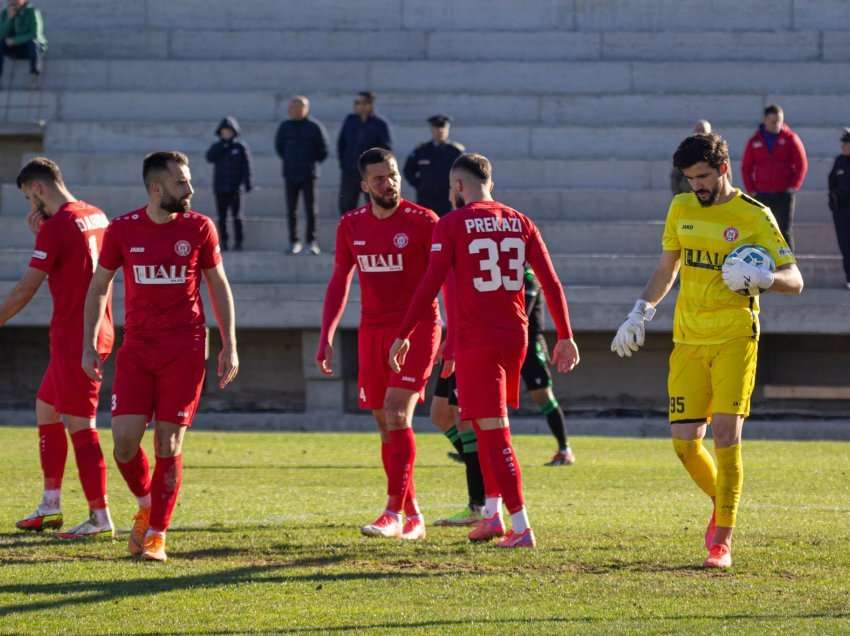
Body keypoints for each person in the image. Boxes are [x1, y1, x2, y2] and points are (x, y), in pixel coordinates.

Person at [611, 133, 804, 569]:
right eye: (688, 177)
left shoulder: (755, 215)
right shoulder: (681, 207)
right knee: (684, 443)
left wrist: (768, 279)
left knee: (724, 434)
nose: (695, 185)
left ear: (723, 168)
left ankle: (722, 541)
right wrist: (639, 313)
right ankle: (725, 501)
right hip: (688, 339)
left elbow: (796, 278)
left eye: (701, 176)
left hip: (736, 336)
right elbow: (667, 268)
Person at [390, 153, 580, 549]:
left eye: (450, 188)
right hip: (512, 335)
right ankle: (492, 515)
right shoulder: (521, 221)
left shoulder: (452, 224)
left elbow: (430, 284)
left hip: (480, 340)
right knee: (479, 422)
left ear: (458, 186)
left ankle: (522, 525)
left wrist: (404, 332)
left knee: (494, 432)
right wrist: (565, 335)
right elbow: (551, 282)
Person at [82, 151, 239, 562]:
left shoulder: (200, 228)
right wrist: (89, 343)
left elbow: (218, 285)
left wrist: (230, 343)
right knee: (125, 443)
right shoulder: (122, 229)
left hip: (185, 348)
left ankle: (157, 534)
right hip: (136, 348)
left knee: (168, 442)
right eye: (181, 183)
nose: (190, 190)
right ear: (157, 188)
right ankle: (147, 502)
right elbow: (100, 286)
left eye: (188, 182)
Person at [317, 148, 440, 541]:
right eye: (380, 179)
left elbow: (443, 279)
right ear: (364, 185)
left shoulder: (424, 222)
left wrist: (450, 335)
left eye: (393, 175)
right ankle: (413, 515)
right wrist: (327, 335)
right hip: (372, 331)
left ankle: (391, 511)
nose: (390, 184)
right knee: (384, 423)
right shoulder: (351, 225)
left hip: (417, 328)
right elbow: (340, 281)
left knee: (396, 413)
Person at [0, 158, 114, 539]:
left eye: (29, 199)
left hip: (76, 338)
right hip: (94, 330)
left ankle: (100, 516)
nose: (30, 208)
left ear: (37, 189)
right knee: (46, 409)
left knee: (81, 424)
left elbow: (25, 289)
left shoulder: (58, 227)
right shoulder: (96, 214)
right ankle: (50, 505)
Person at [521, 268, 575, 466]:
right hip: (506, 342)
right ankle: (476, 449)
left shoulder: (528, 277)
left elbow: (522, 313)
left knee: (542, 395)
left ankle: (564, 449)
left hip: (529, 345)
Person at [741, 104, 808, 250]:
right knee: (761, 231)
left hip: (783, 194)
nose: (777, 125)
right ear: (765, 120)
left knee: (784, 231)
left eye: (779, 121)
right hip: (762, 195)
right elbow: (746, 168)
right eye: (773, 121)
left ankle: (788, 268)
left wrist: (793, 186)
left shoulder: (790, 138)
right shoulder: (754, 141)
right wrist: (751, 190)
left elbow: (801, 163)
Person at [275, 95, 329, 255]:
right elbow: (279, 148)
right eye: (292, 107)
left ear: (306, 109)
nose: (294, 110)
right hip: (290, 173)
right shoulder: (285, 127)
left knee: (311, 209)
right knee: (292, 209)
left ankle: (311, 241)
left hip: (308, 174)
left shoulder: (314, 127)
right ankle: (294, 241)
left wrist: (310, 162)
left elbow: (323, 149)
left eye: (299, 107)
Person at [337, 92, 392, 215]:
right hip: (350, 172)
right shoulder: (350, 121)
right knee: (346, 207)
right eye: (356, 103)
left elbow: (385, 150)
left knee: (375, 207)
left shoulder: (380, 124)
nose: (358, 106)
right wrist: (345, 165)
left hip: (371, 175)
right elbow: (341, 145)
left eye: (361, 103)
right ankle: (349, 234)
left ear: (369, 104)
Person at [205, 116, 252, 252]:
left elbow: (246, 167)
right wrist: (222, 146)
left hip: (235, 188)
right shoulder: (217, 147)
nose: (227, 134)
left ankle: (239, 242)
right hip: (220, 187)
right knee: (222, 217)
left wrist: (247, 183)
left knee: (237, 216)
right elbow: (209, 157)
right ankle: (223, 241)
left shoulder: (240, 147)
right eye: (224, 132)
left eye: (229, 131)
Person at [403, 115, 465, 216]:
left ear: (447, 129)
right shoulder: (422, 150)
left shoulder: (455, 152)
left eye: (442, 127)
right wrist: (420, 185)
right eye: (436, 127)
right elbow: (408, 170)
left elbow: (464, 173)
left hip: (446, 199)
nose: (440, 131)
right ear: (432, 129)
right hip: (425, 199)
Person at [827, 128, 850, 290]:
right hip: (842, 212)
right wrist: (833, 202)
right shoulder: (839, 161)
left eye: (846, 143)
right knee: (845, 246)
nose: (843, 146)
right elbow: (832, 182)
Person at [0, 0, 46, 78]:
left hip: (30, 48)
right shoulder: (5, 13)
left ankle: (35, 72)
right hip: (15, 48)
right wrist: (9, 19)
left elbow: (34, 34)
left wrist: (16, 40)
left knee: (33, 43)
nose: (12, 2)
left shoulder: (32, 12)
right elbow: (1, 34)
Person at [671, 120, 712, 195]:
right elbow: (675, 176)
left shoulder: (717, 152)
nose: (700, 134)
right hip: (687, 195)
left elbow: (726, 176)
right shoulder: (685, 150)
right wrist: (677, 194)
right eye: (698, 131)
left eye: (703, 131)